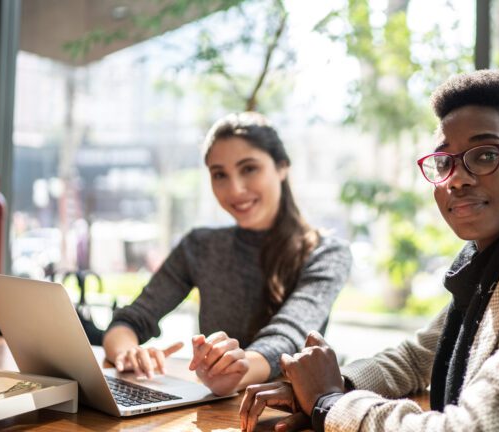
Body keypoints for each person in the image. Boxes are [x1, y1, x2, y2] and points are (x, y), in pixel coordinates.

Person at [239, 70, 499, 431]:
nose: (457, 180)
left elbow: (479, 428)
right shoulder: (498, 258)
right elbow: (417, 358)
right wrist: (334, 384)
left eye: (485, 155)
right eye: (444, 162)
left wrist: (331, 403)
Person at [103, 112, 352, 396]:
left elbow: (288, 338)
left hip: (287, 414)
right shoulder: (199, 246)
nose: (235, 189)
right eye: (219, 174)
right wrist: (128, 352)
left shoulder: (327, 253)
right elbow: (130, 319)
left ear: (282, 167)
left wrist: (240, 368)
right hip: (211, 409)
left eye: (249, 169)